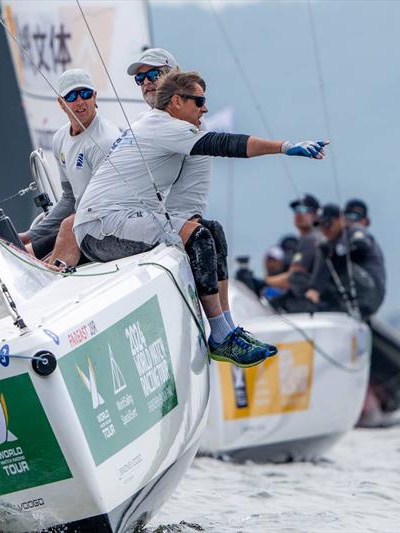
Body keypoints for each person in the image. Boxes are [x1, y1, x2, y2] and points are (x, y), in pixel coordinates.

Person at [73, 71, 328, 368]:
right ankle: (219, 336)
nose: (205, 109)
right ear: (177, 102)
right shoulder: (164, 126)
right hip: (101, 228)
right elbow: (227, 144)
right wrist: (284, 147)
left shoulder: (165, 124)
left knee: (212, 230)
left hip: (123, 218)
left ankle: (229, 330)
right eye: (199, 102)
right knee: (199, 238)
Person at [18, 69, 120, 267]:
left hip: (106, 226)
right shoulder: (60, 138)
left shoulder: (106, 139)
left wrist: (65, 232)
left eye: (86, 94)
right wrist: (32, 234)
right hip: (80, 223)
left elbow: (108, 203)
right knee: (21, 253)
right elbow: (69, 198)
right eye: (72, 96)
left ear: (95, 96)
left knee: (47, 261)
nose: (80, 101)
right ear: (61, 103)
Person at [305, 204, 386, 317]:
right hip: (348, 295)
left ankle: (352, 306)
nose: (325, 230)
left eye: (328, 224)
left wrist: (337, 251)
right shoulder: (328, 243)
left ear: (340, 220)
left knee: (331, 254)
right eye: (321, 226)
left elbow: (361, 244)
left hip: (369, 293)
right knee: (322, 251)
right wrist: (314, 288)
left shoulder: (354, 230)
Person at [263, 194, 324, 311]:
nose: (299, 213)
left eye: (305, 210)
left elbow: (292, 279)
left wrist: (265, 282)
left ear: (317, 214)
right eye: (296, 210)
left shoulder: (310, 239)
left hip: (314, 305)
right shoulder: (319, 237)